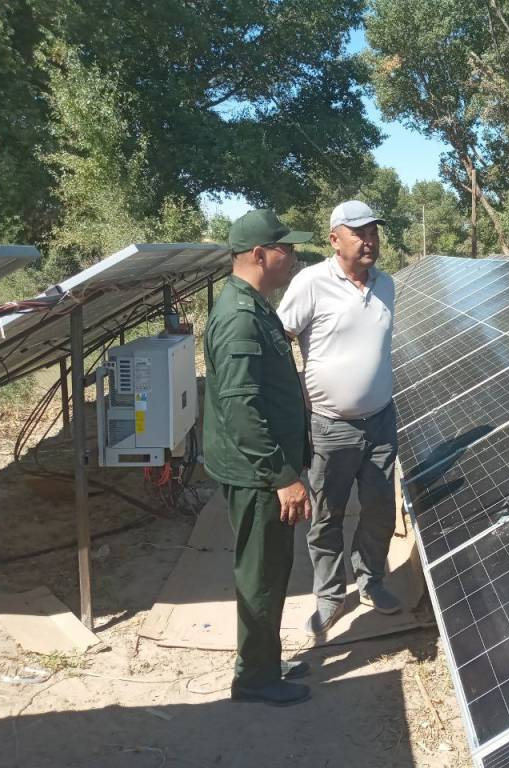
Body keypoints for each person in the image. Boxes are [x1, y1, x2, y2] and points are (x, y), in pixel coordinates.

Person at [203, 209, 314, 706]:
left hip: (263, 470)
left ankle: (265, 659)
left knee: (271, 569)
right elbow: (240, 406)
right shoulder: (240, 317)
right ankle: (254, 680)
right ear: (258, 254)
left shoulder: (254, 305)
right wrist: (282, 476)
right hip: (258, 474)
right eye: (285, 248)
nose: (293, 256)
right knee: (261, 575)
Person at [277, 200, 400, 637]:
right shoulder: (311, 283)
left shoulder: (387, 285)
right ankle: (329, 595)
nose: (369, 241)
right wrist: (293, 404)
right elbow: (279, 340)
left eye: (373, 232)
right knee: (327, 515)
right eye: (359, 233)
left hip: (381, 422)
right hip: (330, 426)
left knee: (380, 509)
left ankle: (371, 580)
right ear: (335, 239)